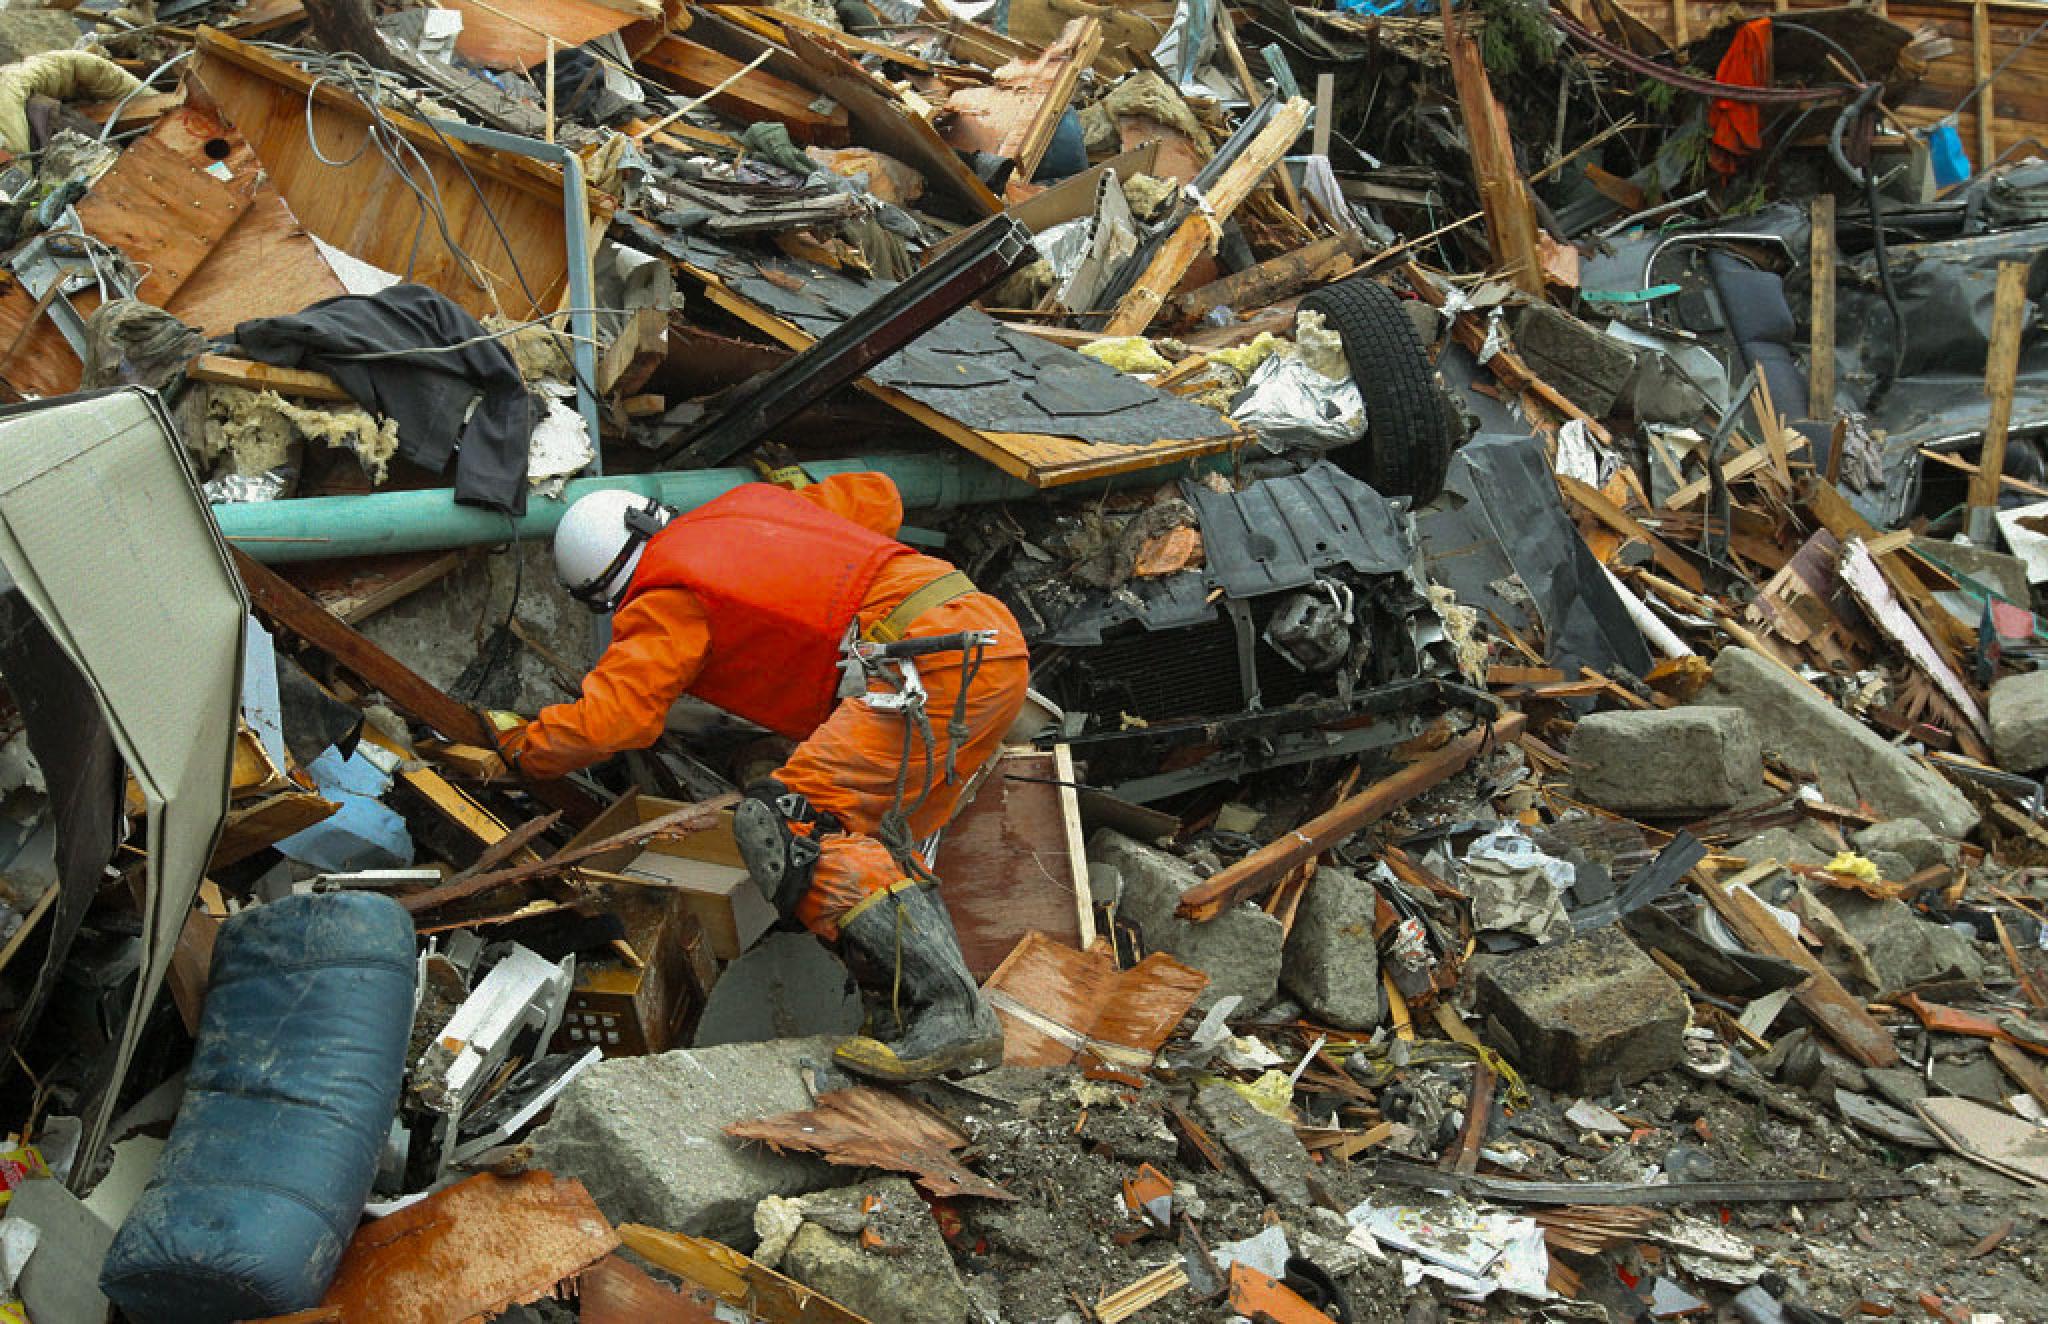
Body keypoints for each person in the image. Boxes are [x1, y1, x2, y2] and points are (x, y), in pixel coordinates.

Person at [495, 472, 1029, 1082]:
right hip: (983, 641)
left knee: (788, 825)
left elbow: (611, 723)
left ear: (601, 592)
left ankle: (951, 1014)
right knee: (868, 841)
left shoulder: (665, 594)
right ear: (653, 518)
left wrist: (522, 747)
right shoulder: (751, 505)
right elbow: (880, 494)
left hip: (922, 669)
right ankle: (909, 1018)